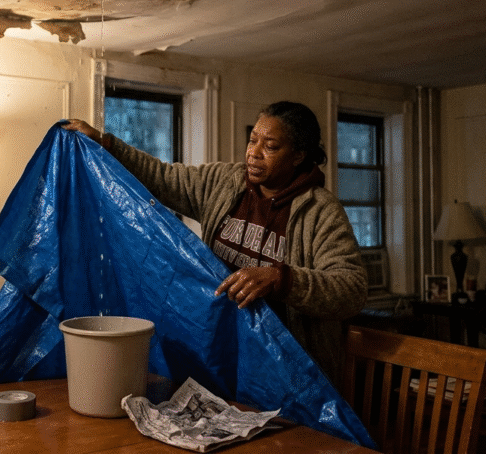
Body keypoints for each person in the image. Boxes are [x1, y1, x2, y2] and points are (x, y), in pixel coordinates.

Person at [62, 101, 367, 384]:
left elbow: (351, 289)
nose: (254, 153)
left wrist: (281, 278)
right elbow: (162, 177)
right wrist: (107, 143)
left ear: (299, 155)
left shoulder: (321, 211)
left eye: (270, 146)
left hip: (288, 372)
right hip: (223, 356)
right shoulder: (224, 181)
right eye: (253, 141)